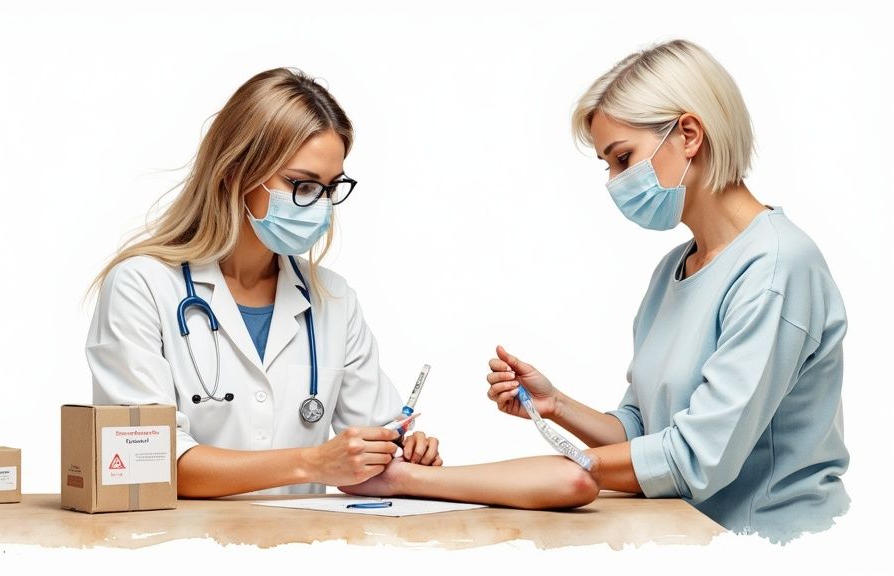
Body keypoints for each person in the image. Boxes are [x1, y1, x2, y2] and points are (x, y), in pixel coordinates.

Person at [343, 39, 850, 542]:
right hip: (685, 530)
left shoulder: (778, 268)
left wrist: (553, 469)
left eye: (623, 158)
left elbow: (694, 459)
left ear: (689, 134)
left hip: (773, 543)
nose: (614, 181)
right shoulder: (675, 269)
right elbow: (644, 432)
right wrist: (556, 405)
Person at [86, 68, 442, 498]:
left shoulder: (334, 300)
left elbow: (369, 451)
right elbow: (145, 463)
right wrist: (311, 463)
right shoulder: (142, 285)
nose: (320, 206)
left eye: (330, 188)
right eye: (302, 184)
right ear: (235, 170)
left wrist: (399, 451)